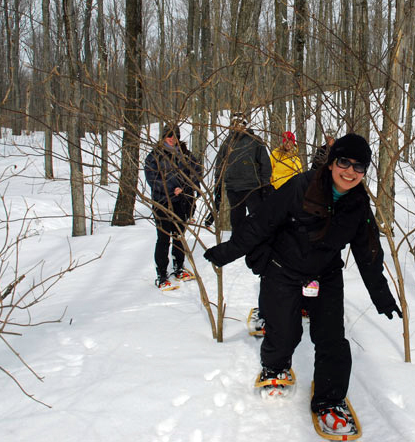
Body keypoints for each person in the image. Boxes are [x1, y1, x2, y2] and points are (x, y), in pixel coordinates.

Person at [203, 133, 401, 437]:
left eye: (358, 166)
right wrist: (225, 253)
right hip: (283, 269)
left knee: (332, 339)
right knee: (283, 330)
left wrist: (382, 296)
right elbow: (261, 223)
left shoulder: (358, 205)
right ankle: (275, 366)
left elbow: (369, 252)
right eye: (344, 162)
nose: (350, 171)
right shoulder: (301, 186)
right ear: (331, 162)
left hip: (326, 275)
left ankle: (330, 399)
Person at [144, 123, 203, 290]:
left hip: (182, 201)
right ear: (164, 136)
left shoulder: (185, 154)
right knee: (163, 237)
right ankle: (162, 274)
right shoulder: (155, 156)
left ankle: (179, 267)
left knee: (179, 235)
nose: (172, 139)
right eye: (169, 135)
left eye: (175, 135)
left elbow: (197, 171)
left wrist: (187, 188)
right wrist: (171, 189)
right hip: (162, 202)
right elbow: (152, 179)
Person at [206, 113, 273, 231]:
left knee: (257, 221)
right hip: (233, 188)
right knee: (237, 223)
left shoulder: (255, 140)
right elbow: (220, 164)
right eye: (235, 123)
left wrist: (265, 185)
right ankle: (239, 242)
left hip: (252, 187)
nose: (237, 126)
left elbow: (265, 164)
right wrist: (218, 184)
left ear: (245, 125)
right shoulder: (227, 142)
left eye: (240, 123)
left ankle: (258, 242)